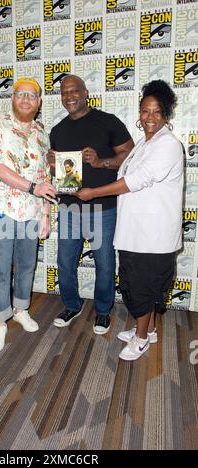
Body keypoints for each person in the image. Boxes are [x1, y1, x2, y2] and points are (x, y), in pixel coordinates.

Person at [76, 79, 183, 361]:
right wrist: (100, 163)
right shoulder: (144, 143)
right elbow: (123, 167)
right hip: (136, 232)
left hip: (152, 234)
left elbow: (134, 181)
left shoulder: (168, 145)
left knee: (143, 288)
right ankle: (149, 330)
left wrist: (92, 193)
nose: (149, 117)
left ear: (166, 115)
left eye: (157, 112)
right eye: (145, 111)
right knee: (143, 285)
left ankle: (142, 337)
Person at [48, 74, 134, 335]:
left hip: (102, 209)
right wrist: (51, 166)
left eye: (74, 91)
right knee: (65, 262)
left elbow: (131, 157)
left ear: (86, 93)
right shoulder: (57, 130)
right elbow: (59, 174)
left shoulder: (107, 122)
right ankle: (72, 306)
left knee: (105, 264)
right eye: (64, 92)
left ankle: (103, 311)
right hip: (69, 208)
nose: (69, 96)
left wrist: (101, 162)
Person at [0, 77, 57, 353]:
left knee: (26, 266)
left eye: (31, 96)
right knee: (0, 270)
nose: (25, 99)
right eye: (20, 94)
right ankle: (0, 322)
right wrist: (33, 188)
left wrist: (46, 214)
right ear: (12, 98)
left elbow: (45, 176)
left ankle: (21, 309)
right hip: (1, 210)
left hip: (31, 212)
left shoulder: (41, 132)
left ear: (38, 103)